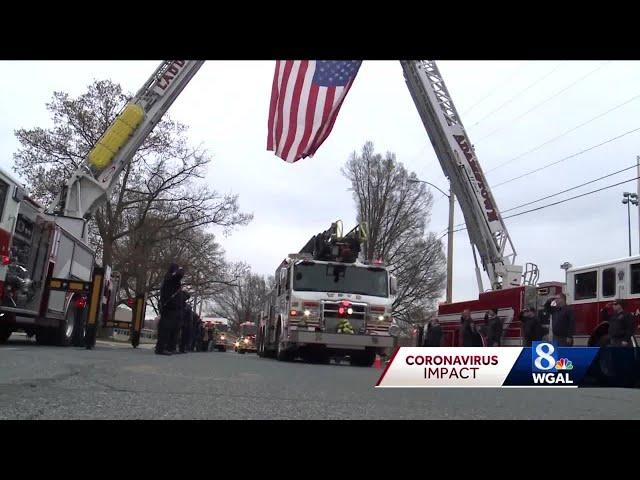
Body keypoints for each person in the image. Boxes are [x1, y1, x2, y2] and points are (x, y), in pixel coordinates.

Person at [155, 263, 184, 355]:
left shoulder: (171, 279)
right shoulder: (169, 278)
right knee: (165, 328)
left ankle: (170, 347)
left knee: (172, 329)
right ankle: (160, 348)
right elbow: (180, 274)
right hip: (169, 307)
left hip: (172, 307)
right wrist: (179, 269)